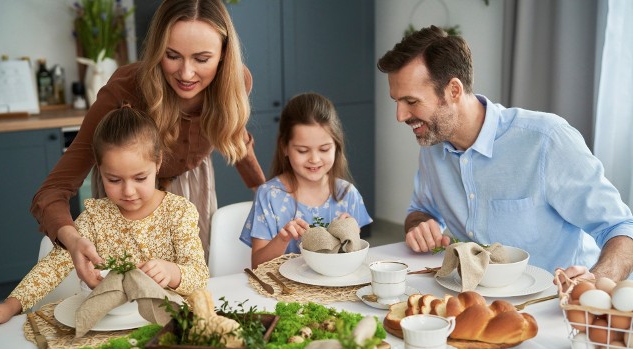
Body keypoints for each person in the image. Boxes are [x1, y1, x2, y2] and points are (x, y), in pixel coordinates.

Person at [30, 0, 265, 289]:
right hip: (125, 191)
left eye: (202, 59)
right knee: (124, 292)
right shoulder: (126, 88)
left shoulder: (236, 79)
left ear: (223, 56)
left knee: (184, 286)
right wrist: (73, 239)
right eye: (172, 56)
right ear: (157, 49)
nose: (187, 73)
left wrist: (264, 191)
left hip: (192, 187)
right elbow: (52, 190)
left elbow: (232, 128)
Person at [377, 26, 633, 282]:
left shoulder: (546, 140)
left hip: (555, 302)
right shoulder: (433, 144)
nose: (400, 116)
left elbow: (620, 228)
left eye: (411, 102)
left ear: (453, 91)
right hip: (474, 298)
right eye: (396, 102)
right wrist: (419, 226)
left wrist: (598, 282)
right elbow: (421, 209)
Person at [0, 105, 209, 327]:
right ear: (99, 170)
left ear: (158, 163)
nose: (128, 191)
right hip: (108, 323)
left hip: (165, 322)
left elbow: (199, 274)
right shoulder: (95, 217)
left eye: (140, 178)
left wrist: (172, 272)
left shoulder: (179, 212)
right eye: (114, 180)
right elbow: (53, 266)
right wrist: (11, 304)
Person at [240, 93, 373, 268]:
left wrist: (353, 234)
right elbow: (257, 265)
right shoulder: (270, 196)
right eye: (303, 150)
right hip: (286, 292)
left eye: (324, 149)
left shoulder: (347, 194)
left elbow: (357, 259)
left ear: (336, 146)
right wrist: (283, 238)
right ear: (285, 148)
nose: (315, 159)